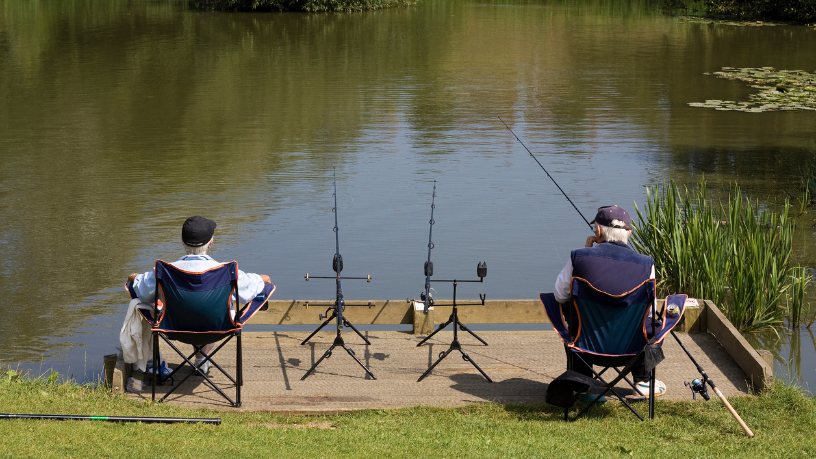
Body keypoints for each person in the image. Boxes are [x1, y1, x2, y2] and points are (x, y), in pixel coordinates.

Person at [126, 216, 271, 375]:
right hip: (219, 329)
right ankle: (201, 360)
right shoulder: (226, 271)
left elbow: (140, 288)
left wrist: (134, 277)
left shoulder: (165, 271)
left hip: (173, 328)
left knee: (166, 305)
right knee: (208, 310)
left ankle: (160, 360)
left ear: (182, 241)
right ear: (211, 242)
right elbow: (252, 288)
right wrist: (265, 279)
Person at [553, 205, 665, 397]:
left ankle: (582, 383)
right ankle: (643, 381)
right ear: (629, 234)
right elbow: (651, 307)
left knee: (570, 309)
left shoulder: (579, 257)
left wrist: (586, 252)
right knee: (652, 322)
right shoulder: (647, 265)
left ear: (598, 231)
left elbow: (559, 295)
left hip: (585, 348)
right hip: (631, 350)